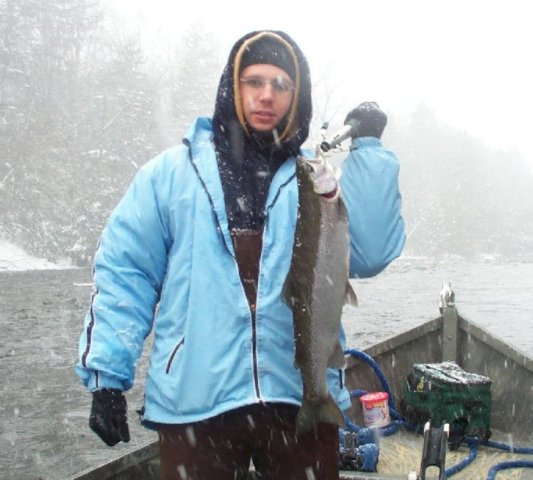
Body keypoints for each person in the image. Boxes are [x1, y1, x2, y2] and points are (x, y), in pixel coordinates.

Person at [76, 30, 405, 480]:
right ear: (233, 87)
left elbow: (372, 253)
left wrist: (369, 151)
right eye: (254, 81)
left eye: (281, 84)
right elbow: (125, 272)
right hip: (194, 403)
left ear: (297, 95)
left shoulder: (313, 181)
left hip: (299, 397)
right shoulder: (170, 175)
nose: (266, 95)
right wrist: (108, 375)